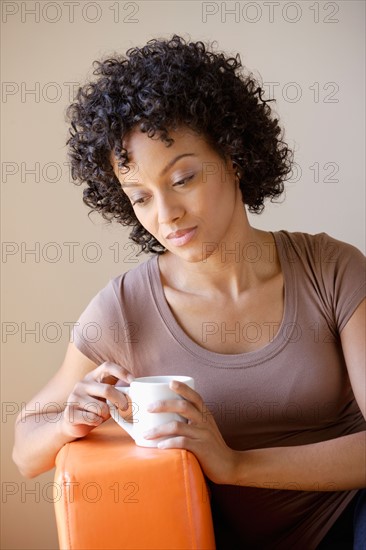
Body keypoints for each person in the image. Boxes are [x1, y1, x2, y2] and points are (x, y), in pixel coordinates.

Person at [13, 35, 365, 549]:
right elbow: (26, 452)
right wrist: (69, 421)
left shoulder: (332, 270)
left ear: (236, 155)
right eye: (140, 197)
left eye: (183, 178)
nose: (165, 215)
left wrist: (235, 464)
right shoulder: (125, 309)